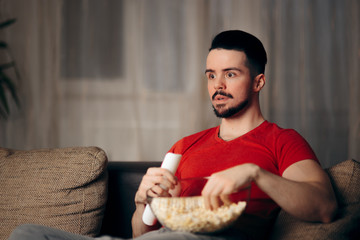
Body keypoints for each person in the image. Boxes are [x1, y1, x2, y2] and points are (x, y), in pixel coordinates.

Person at [8, 30, 337, 240]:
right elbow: (141, 233)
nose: (217, 86)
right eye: (211, 75)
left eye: (230, 74)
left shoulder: (280, 140)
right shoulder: (186, 146)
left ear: (258, 82)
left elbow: (324, 207)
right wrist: (144, 205)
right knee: (28, 233)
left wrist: (255, 174)